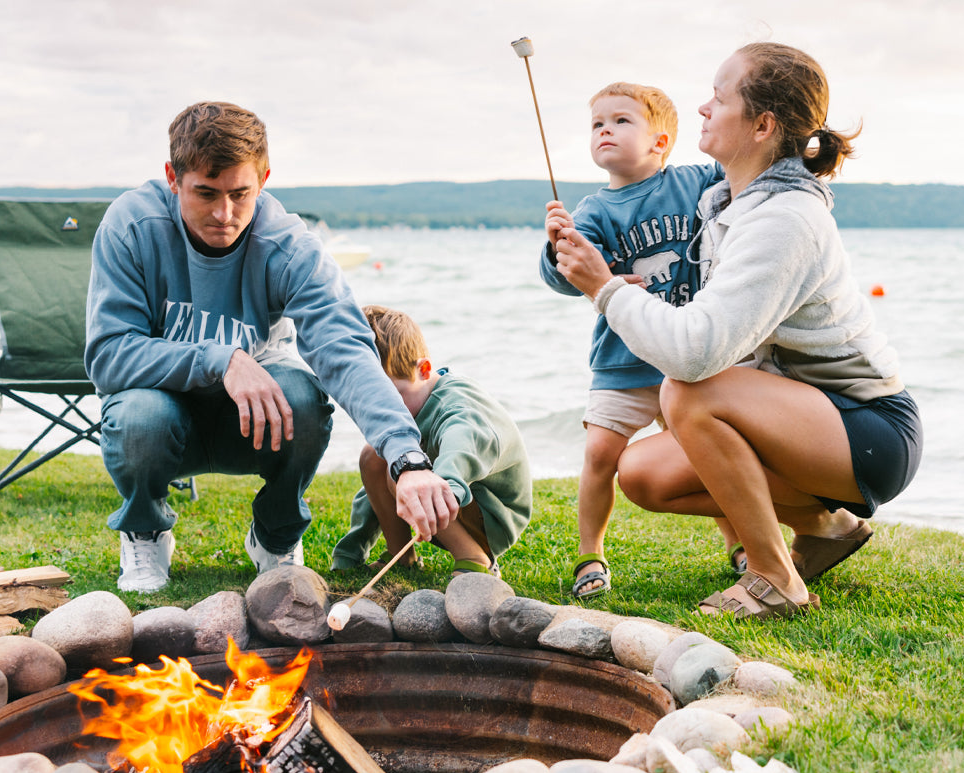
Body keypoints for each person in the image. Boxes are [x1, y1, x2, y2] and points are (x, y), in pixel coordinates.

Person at [549, 43, 922, 619]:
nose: (701, 108)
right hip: (802, 418)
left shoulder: (785, 218)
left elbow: (695, 354)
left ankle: (777, 579)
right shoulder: (728, 203)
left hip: (866, 428)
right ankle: (825, 528)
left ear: (763, 125)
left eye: (719, 99)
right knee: (642, 474)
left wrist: (606, 288)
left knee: (688, 390)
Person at [86, 101, 455, 592]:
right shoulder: (131, 226)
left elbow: (344, 348)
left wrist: (407, 458)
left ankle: (275, 537)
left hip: (256, 419)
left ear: (264, 178)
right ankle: (145, 530)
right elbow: (109, 354)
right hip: (160, 414)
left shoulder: (290, 245)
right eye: (206, 193)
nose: (225, 214)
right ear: (173, 177)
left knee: (304, 397)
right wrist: (221, 360)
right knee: (138, 416)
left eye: (241, 193)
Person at [538, 82, 723, 599]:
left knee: (706, 455)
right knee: (599, 454)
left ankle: (740, 541)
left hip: (687, 357)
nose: (605, 130)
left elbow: (744, 171)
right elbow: (561, 279)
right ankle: (590, 554)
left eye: (621, 121)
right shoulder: (593, 210)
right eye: (597, 123)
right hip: (622, 361)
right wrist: (558, 243)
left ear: (660, 142)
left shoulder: (696, 181)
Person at [330, 306, 532, 577]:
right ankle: (402, 556)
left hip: (491, 513)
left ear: (423, 369)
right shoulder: (414, 405)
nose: (387, 410)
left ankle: (474, 559)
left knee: (404, 473)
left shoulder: (459, 408)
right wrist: (350, 550)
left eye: (394, 396)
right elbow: (373, 491)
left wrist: (436, 484)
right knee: (373, 456)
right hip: (445, 507)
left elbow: (462, 446)